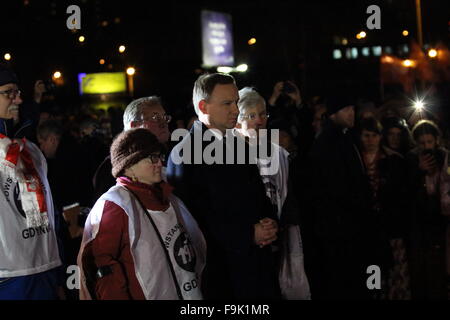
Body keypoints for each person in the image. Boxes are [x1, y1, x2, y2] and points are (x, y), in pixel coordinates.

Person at [167, 73, 281, 299]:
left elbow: (258, 194)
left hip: (258, 266)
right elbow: (192, 221)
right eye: (227, 103)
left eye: (236, 101)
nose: (235, 109)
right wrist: (247, 235)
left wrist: (270, 221)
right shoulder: (184, 153)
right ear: (203, 106)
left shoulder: (238, 143)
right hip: (223, 277)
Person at [77, 128, 205, 300]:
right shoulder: (115, 205)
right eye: (152, 158)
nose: (159, 163)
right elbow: (102, 267)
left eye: (159, 156)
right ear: (129, 166)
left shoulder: (168, 197)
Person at [235, 87, 311, 299]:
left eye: (262, 114)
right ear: (237, 119)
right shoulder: (227, 156)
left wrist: (280, 223)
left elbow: (288, 195)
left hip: (278, 240)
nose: (259, 120)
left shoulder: (279, 155)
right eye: (251, 115)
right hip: (247, 243)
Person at [0, 64, 63, 299]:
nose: (18, 98)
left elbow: (51, 214)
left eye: (18, 91)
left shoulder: (33, 150)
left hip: (45, 267)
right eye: (9, 92)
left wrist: (58, 270)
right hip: (9, 276)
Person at [307, 92, 373, 300]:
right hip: (340, 226)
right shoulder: (329, 142)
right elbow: (335, 186)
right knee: (343, 279)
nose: (351, 113)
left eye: (353, 109)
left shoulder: (345, 137)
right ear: (334, 113)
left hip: (348, 223)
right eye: (346, 109)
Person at [357, 117, 411, 299]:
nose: (370, 140)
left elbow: (401, 195)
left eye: (374, 135)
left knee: (396, 271)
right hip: (368, 227)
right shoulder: (355, 160)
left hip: (391, 225)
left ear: (380, 137)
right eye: (366, 136)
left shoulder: (394, 160)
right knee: (373, 271)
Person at [92, 96, 172, 202]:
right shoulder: (112, 168)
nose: (164, 123)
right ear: (135, 126)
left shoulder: (171, 155)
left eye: (165, 117)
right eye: (156, 118)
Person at [407, 119, 449, 300]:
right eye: (422, 143)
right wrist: (419, 171)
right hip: (420, 223)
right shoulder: (410, 159)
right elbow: (406, 190)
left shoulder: (445, 157)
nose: (426, 146)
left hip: (441, 220)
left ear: (436, 141)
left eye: (429, 142)